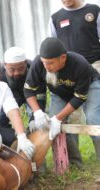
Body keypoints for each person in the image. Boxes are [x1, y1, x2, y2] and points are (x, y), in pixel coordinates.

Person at [24, 37, 100, 167]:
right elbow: (29, 90)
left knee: (93, 118)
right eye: (44, 62)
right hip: (60, 92)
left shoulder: (79, 63)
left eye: (50, 63)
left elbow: (79, 97)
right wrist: (37, 112)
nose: (46, 67)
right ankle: (71, 163)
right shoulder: (38, 63)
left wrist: (58, 117)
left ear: (63, 58)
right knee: (54, 126)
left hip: (90, 87)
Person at [49, 0, 100, 167]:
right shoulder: (55, 18)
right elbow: (52, 46)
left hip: (93, 68)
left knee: (94, 115)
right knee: (69, 116)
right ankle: (72, 162)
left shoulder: (94, 11)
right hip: (67, 72)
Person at [0, 47, 46, 128]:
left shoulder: (35, 70)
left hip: (32, 96)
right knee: (1, 118)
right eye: (12, 70)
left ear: (25, 63)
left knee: (38, 123)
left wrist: (35, 117)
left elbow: (40, 97)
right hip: (12, 97)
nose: (16, 73)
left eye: (21, 68)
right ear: (5, 65)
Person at [49, 0, 100, 69]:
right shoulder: (54, 18)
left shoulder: (95, 10)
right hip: (70, 68)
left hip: (94, 64)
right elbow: (52, 46)